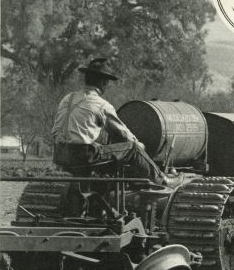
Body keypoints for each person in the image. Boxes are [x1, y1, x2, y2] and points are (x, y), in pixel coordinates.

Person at [52, 58, 183, 186]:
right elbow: (123, 133)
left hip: (59, 154)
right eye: (107, 82)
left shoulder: (67, 98)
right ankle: (163, 180)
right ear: (103, 82)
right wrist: (140, 146)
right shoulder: (101, 104)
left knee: (98, 147)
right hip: (82, 156)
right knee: (133, 148)